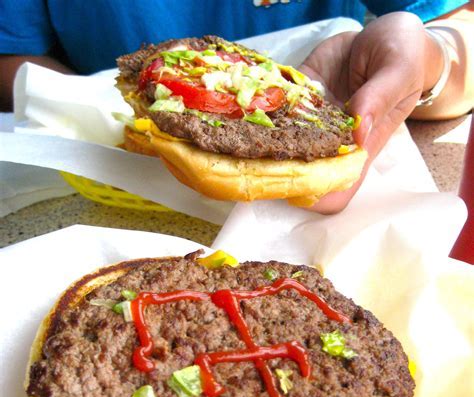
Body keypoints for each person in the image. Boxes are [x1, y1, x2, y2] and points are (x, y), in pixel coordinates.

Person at [0, 1, 472, 213]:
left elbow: (458, 27)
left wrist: (434, 63)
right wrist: (89, 111)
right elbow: (12, 57)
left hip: (321, 117)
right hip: (96, 199)